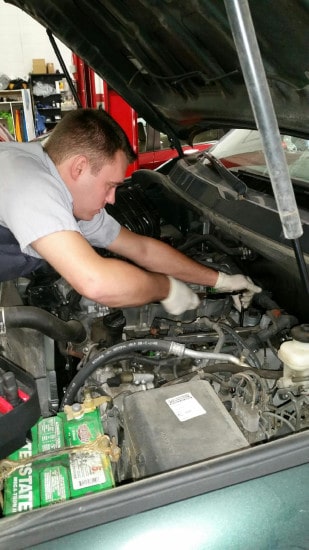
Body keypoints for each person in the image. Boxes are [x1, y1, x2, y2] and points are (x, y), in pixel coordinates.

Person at [0, 108, 261, 316]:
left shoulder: (69, 198)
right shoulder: (26, 178)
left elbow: (141, 249)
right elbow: (94, 281)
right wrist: (165, 288)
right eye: (109, 185)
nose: (112, 199)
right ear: (79, 168)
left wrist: (221, 281)